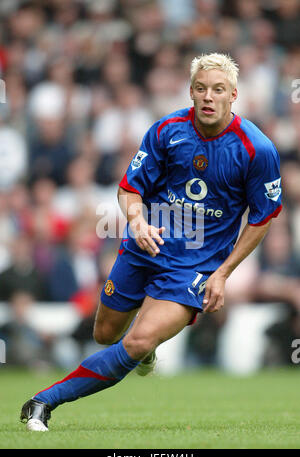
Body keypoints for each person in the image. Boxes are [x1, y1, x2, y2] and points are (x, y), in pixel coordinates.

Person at [20, 53, 282, 431]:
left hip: (195, 265)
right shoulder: (166, 131)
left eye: (218, 90)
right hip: (145, 246)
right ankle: (146, 345)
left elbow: (262, 218)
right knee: (104, 334)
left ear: (233, 95)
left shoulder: (256, 149)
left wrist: (224, 273)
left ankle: (43, 401)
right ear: (191, 92)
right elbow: (129, 189)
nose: (209, 96)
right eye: (202, 88)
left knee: (138, 340)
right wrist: (138, 221)